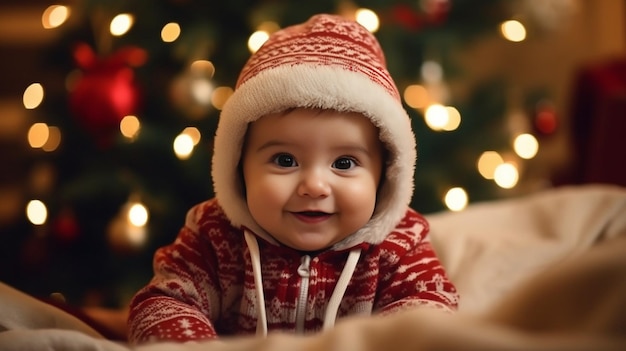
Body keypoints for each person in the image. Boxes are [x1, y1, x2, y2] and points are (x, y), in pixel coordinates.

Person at [127, 13, 458, 344]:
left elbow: (427, 314)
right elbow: (164, 302)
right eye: (285, 160)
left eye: (344, 162)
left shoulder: (399, 246)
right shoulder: (214, 235)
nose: (314, 186)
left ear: (384, 175)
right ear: (239, 165)